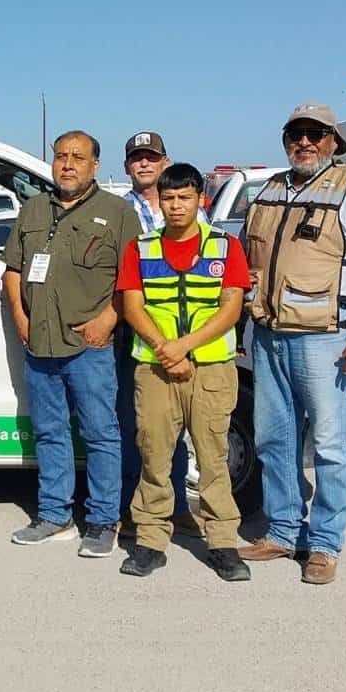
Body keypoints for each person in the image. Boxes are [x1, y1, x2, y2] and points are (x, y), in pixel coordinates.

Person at [238, 102, 346, 585]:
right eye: (296, 134)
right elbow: (249, 264)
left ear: (333, 141)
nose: (304, 142)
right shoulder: (269, 191)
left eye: (315, 134)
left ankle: (325, 544)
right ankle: (284, 531)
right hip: (268, 336)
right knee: (273, 438)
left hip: (327, 339)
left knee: (329, 444)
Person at [2, 130, 138, 558]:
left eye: (78, 157)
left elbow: (133, 281)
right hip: (40, 345)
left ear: (95, 165)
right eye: (61, 156)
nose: (67, 164)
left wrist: (108, 320)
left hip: (90, 347)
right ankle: (54, 516)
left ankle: (102, 521)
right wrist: (21, 317)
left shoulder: (117, 213)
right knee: (50, 432)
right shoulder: (34, 209)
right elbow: (12, 269)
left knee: (101, 435)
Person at [116, 163, 251, 582]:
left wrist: (185, 347)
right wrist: (165, 349)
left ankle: (223, 543)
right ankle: (151, 542)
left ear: (199, 200)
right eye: (169, 198)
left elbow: (231, 307)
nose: (176, 206)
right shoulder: (140, 248)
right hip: (155, 370)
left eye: (185, 198)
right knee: (154, 456)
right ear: (161, 201)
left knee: (214, 458)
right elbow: (132, 306)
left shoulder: (226, 247)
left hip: (211, 369)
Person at [116, 131, 199, 541]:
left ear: (165, 162)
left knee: (179, 427)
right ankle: (137, 510)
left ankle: (179, 506)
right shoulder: (117, 212)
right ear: (127, 166)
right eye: (136, 159)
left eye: (151, 157)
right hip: (138, 336)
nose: (144, 165)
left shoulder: (192, 212)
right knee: (138, 427)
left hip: (184, 341)